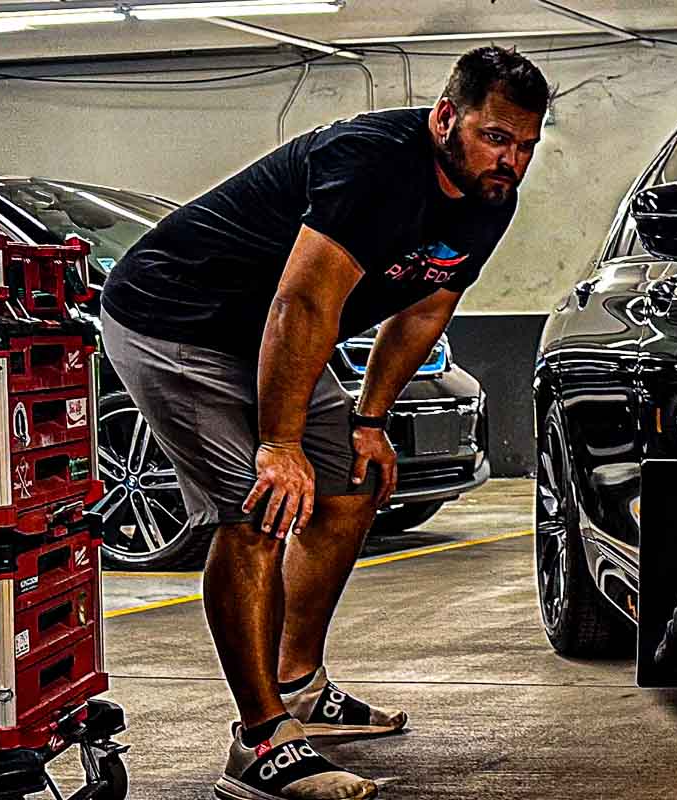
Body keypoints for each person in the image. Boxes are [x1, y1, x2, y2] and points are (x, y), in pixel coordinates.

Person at [98, 46, 548, 800]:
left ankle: (298, 684)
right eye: (496, 137)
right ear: (446, 117)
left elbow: (427, 306)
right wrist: (277, 446)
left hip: (266, 336)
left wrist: (371, 418)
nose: (512, 160)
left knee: (351, 487)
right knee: (257, 508)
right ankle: (261, 741)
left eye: (527, 146)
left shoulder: (488, 200)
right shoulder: (371, 164)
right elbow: (302, 305)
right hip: (174, 320)